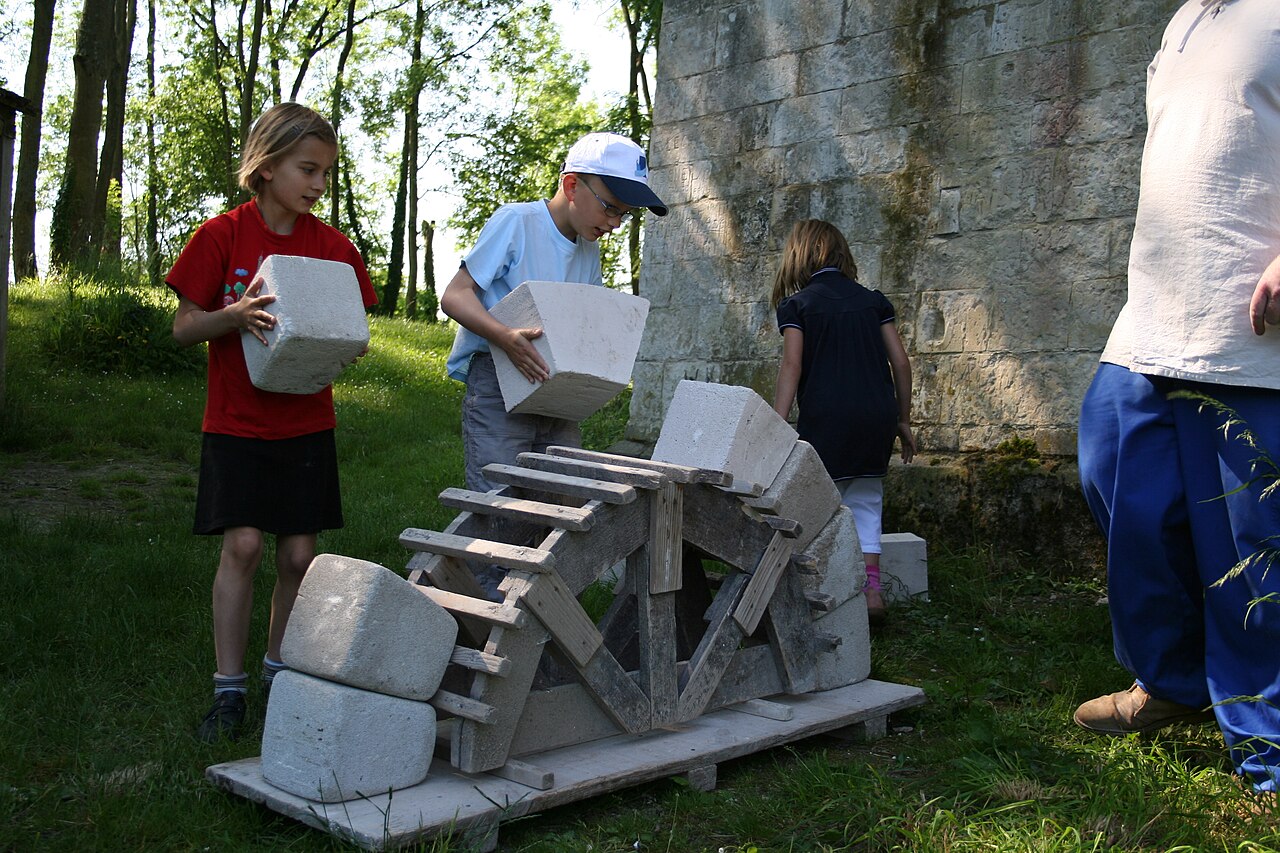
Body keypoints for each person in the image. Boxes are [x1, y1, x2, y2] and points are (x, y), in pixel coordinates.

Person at [1074, 0, 1280, 797]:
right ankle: (1173, 679)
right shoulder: (1189, 17)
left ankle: (1265, 739)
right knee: (1110, 464)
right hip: (1153, 320)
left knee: (1249, 542)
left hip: (1250, 334)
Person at [168, 103, 378, 742]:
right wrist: (233, 314)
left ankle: (277, 671)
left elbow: (357, 332)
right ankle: (228, 692)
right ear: (266, 165)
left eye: (325, 173)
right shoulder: (221, 237)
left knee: (298, 554)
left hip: (306, 421)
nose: (317, 184)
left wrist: (341, 338)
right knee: (245, 545)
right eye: (306, 169)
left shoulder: (334, 249)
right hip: (235, 422)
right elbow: (182, 329)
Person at [439, 132, 667, 596]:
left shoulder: (588, 250)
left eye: (625, 214)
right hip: (500, 382)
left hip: (556, 395)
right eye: (610, 207)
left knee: (558, 500)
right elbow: (454, 295)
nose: (615, 223)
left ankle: (538, 615)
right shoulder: (517, 223)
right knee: (499, 503)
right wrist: (504, 337)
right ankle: (489, 616)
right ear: (571, 185)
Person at [770, 219, 915, 625]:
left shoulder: (798, 306)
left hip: (827, 419)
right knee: (866, 504)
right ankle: (871, 592)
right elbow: (901, 363)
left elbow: (791, 365)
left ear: (798, 255)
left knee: (815, 504)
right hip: (877, 417)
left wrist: (778, 425)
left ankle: (818, 596)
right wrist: (903, 419)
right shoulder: (873, 302)